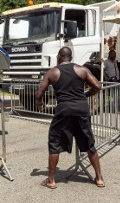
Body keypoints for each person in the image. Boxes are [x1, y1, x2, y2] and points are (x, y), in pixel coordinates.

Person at [36, 47, 104, 189]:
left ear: (59, 56)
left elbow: (40, 91)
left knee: (54, 144)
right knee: (89, 143)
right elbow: (97, 86)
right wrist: (85, 95)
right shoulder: (82, 70)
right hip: (81, 110)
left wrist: (40, 102)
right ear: (71, 57)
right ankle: (99, 178)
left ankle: (51, 180)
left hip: (64, 111)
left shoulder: (53, 72)